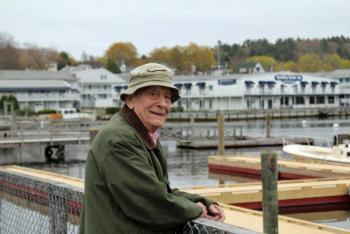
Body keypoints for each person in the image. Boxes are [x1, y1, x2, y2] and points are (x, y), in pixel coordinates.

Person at [79, 63, 225, 234]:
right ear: (130, 99)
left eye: (167, 97)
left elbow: (161, 191)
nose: (163, 103)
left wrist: (203, 201)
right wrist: (197, 209)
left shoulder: (141, 135)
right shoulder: (120, 139)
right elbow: (149, 202)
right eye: (153, 94)